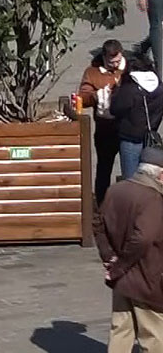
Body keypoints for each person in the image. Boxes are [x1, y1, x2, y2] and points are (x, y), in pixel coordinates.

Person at [93, 145, 163, 353]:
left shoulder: (116, 190)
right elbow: (143, 239)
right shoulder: (153, 198)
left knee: (121, 332)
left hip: (122, 280)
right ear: (160, 174)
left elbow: (98, 225)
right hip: (147, 278)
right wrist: (120, 265)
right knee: (154, 336)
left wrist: (109, 257)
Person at [80, 40, 128, 205]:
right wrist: (96, 96)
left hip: (126, 127)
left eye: (117, 61)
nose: (114, 65)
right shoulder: (92, 72)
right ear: (103, 57)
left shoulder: (129, 69)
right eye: (110, 62)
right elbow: (83, 97)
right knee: (103, 169)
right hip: (104, 129)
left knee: (130, 168)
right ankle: (101, 204)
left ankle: (126, 204)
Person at [110, 59, 163, 180]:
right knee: (150, 178)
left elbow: (115, 108)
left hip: (130, 139)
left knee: (131, 179)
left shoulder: (130, 89)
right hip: (151, 138)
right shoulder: (159, 88)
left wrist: (117, 89)